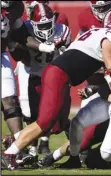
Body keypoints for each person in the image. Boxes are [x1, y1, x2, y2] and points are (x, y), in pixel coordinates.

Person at [2, 10, 111, 170]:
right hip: (59, 75)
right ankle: (9, 154)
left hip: (59, 75)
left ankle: (71, 158)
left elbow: (93, 67)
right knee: (45, 122)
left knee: (58, 125)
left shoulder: (95, 32)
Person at [1, 0, 55, 159]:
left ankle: (19, 149)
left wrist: (42, 47)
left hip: (1, 55)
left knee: (10, 101)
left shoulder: (16, 6)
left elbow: (21, 34)